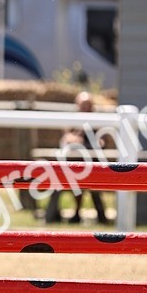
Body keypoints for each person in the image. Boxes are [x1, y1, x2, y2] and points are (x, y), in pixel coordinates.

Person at [44, 92, 112, 224]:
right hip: (71, 166)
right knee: (59, 178)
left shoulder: (97, 123)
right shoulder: (72, 121)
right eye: (82, 105)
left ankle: (94, 215)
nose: (85, 108)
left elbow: (101, 143)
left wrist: (84, 141)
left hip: (92, 166)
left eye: (88, 105)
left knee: (90, 184)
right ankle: (54, 215)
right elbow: (66, 140)